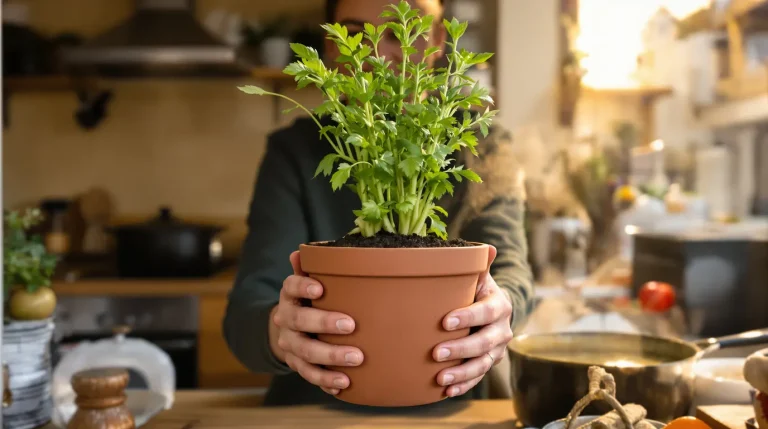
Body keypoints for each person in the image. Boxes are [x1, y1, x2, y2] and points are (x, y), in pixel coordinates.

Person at [223, 0, 534, 406]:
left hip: (449, 399)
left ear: (438, 42)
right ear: (331, 46)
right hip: (316, 409)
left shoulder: (484, 145)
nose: (377, 55)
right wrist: (281, 333)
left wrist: (500, 309)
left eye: (400, 33)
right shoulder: (295, 151)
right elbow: (246, 311)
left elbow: (511, 272)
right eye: (354, 34)